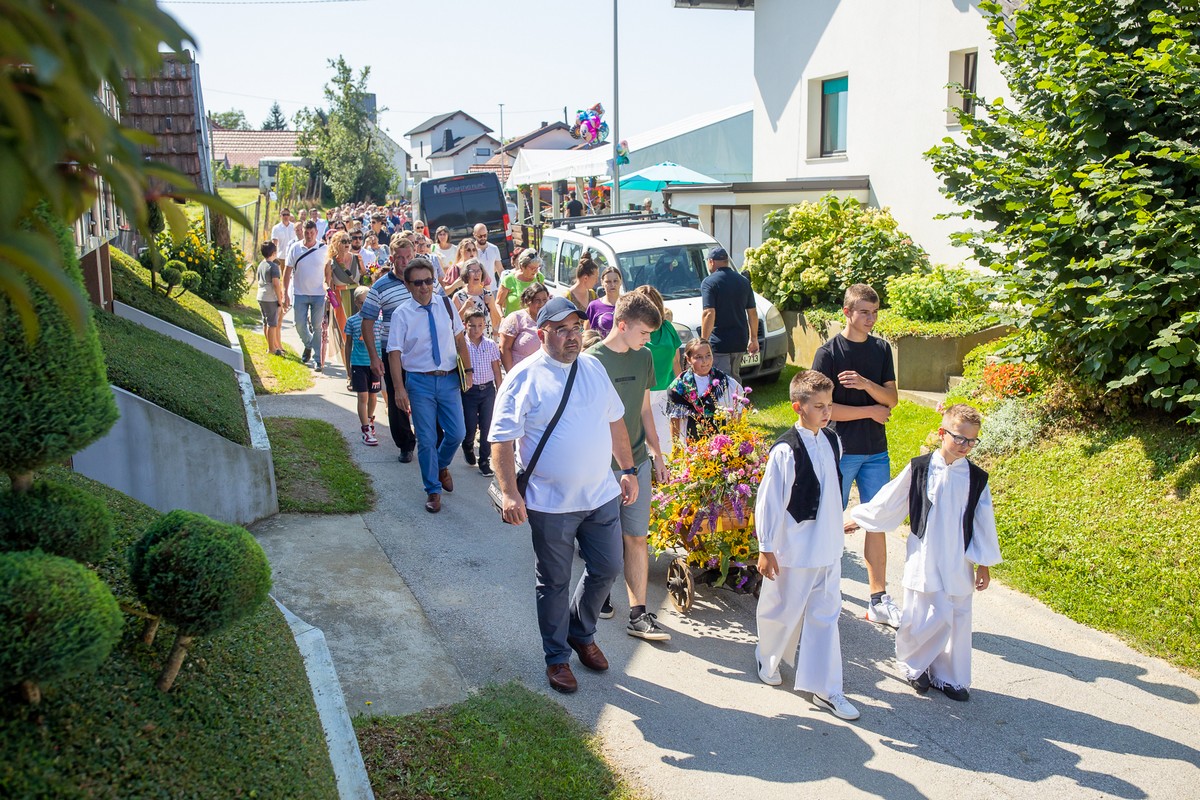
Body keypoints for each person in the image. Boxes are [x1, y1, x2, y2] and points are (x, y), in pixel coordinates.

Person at [490, 296, 639, 694]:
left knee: (607, 567)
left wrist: (627, 469)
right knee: (553, 582)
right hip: (549, 504)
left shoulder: (593, 368)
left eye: (576, 328)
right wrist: (509, 494)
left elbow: (616, 422)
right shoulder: (522, 378)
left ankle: (581, 631)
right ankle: (557, 658)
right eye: (562, 330)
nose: (573, 337)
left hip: (601, 496)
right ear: (542, 334)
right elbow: (502, 440)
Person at [849, 403, 1001, 702]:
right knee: (924, 614)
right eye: (959, 438)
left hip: (959, 559)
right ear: (942, 433)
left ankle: (949, 676)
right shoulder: (920, 468)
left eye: (971, 441)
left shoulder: (976, 479)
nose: (964, 446)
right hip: (926, 553)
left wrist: (983, 565)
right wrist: (860, 517)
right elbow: (891, 499)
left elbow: (983, 523)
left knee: (956, 616)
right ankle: (914, 665)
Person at [754, 370, 861, 721]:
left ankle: (825, 689)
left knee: (825, 618)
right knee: (782, 610)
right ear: (798, 407)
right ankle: (766, 656)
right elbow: (770, 501)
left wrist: (838, 521)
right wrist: (766, 547)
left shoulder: (833, 440)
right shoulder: (785, 450)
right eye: (819, 406)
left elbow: (832, 487)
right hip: (795, 548)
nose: (827, 412)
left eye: (829, 405)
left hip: (828, 548)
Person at [811, 283, 901, 628]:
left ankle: (878, 598)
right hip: (840, 450)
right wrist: (868, 410)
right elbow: (824, 410)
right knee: (830, 520)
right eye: (864, 311)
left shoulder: (881, 349)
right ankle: (824, 588)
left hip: (876, 452)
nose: (871, 318)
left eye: (875, 311)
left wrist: (865, 385)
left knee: (876, 523)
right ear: (846, 312)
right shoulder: (828, 354)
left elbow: (891, 400)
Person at [588, 293, 671, 641]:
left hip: (635, 462)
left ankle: (638, 615)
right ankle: (599, 592)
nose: (648, 340)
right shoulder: (591, 362)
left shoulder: (645, 357)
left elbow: (645, 409)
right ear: (622, 326)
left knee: (636, 537)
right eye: (643, 333)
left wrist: (657, 453)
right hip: (598, 467)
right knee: (603, 539)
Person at [385, 257, 472, 514]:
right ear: (408, 285)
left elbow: (460, 340)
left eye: (428, 281)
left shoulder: (445, 304)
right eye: (418, 282)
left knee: (457, 433)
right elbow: (394, 353)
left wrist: (468, 371)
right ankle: (432, 489)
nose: (424, 287)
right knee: (426, 438)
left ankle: (441, 465)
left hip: (448, 379)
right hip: (419, 382)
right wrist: (399, 389)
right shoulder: (402, 314)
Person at [361, 237, 417, 462]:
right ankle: (405, 444)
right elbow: (367, 321)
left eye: (408, 257)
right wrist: (374, 357)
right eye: (400, 258)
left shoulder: (424, 280)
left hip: (420, 351)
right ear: (392, 259)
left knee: (425, 396)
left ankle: (429, 437)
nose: (404, 262)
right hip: (392, 351)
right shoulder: (381, 286)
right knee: (397, 396)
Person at [631, 285, 681, 457]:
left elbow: (676, 359)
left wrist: (682, 386)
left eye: (652, 302)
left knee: (666, 442)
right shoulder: (634, 332)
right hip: (640, 393)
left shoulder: (668, 327)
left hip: (666, 391)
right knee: (642, 444)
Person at [699, 246, 758, 384]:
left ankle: (725, 405)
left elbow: (709, 313)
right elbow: (752, 313)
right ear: (726, 261)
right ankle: (738, 404)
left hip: (720, 343)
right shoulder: (743, 281)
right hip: (739, 341)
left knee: (720, 381)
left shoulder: (709, 282)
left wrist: (703, 341)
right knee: (735, 378)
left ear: (711, 261)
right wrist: (753, 338)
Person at [667, 338, 744, 443]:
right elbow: (675, 420)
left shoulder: (724, 382)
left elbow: (737, 411)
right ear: (688, 359)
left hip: (721, 443)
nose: (705, 361)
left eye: (708, 355)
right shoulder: (679, 387)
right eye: (698, 357)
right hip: (691, 442)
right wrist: (676, 448)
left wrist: (736, 439)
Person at [461, 308, 502, 477]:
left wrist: (500, 389)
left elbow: (496, 369)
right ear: (465, 325)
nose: (476, 329)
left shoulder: (491, 345)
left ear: (485, 325)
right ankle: (468, 444)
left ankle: (484, 460)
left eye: (480, 325)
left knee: (487, 427)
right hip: (469, 392)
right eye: (472, 326)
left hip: (487, 391)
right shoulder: (461, 345)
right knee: (470, 426)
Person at [282, 220, 328, 368]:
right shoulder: (295, 248)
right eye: (306, 233)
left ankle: (317, 359)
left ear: (316, 233)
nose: (309, 236)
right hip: (300, 293)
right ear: (302, 231)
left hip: (319, 294)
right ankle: (309, 345)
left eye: (312, 233)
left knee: (317, 326)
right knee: (299, 325)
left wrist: (328, 288)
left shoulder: (324, 249)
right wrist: (285, 292)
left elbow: (329, 271)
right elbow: (287, 270)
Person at [345, 287, 382, 446]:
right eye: (361, 303)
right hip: (358, 364)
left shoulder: (379, 321)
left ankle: (370, 418)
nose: (364, 306)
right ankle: (365, 428)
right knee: (362, 396)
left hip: (374, 365)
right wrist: (348, 369)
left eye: (367, 303)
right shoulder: (352, 321)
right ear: (356, 303)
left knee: (373, 395)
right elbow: (348, 345)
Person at [326, 231, 363, 381]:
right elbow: (326, 282)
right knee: (345, 336)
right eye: (343, 241)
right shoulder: (331, 262)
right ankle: (349, 373)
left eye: (349, 240)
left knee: (360, 334)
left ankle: (361, 368)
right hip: (340, 299)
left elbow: (365, 276)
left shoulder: (357, 258)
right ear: (336, 243)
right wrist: (328, 295)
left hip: (358, 298)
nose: (347, 243)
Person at [499, 284, 549, 373]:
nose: (542, 304)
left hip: (543, 373)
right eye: (537, 300)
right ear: (528, 301)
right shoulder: (516, 318)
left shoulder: (550, 319)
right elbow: (504, 348)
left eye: (544, 300)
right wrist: (511, 374)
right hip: (520, 373)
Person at [452, 259, 501, 339]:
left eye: (479, 271)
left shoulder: (488, 294)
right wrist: (464, 309)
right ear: (466, 274)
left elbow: (496, 323)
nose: (477, 274)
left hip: (487, 343)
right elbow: (452, 324)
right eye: (473, 271)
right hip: (468, 345)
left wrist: (491, 306)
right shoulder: (459, 296)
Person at [255, 241, 286, 357]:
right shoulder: (273, 267)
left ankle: (270, 345)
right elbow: (276, 284)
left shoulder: (261, 264)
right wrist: (279, 300)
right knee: (272, 324)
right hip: (270, 298)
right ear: (274, 253)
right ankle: (272, 348)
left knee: (265, 322)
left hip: (261, 296)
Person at [497, 249, 546, 317]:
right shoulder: (509, 279)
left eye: (537, 268)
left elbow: (545, 300)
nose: (535, 271)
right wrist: (502, 318)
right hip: (513, 324)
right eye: (532, 268)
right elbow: (498, 303)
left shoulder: (539, 278)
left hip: (534, 323)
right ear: (522, 266)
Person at [587, 267, 622, 337]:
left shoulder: (629, 304)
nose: (612, 284)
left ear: (620, 282)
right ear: (602, 282)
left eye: (615, 281)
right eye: (608, 282)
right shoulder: (594, 306)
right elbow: (587, 334)